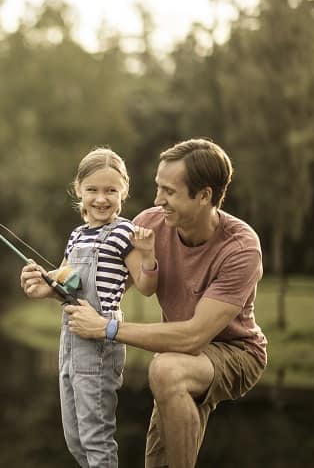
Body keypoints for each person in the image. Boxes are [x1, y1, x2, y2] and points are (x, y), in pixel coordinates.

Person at [57, 138, 267, 468]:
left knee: (166, 369)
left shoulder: (240, 248)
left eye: (169, 191)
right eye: (158, 187)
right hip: (177, 352)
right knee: (158, 461)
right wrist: (52, 284)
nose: (157, 200)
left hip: (234, 351)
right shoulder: (150, 225)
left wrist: (108, 328)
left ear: (204, 196)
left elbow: (195, 337)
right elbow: (106, 284)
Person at [20, 147, 158, 468]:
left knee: (96, 439)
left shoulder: (124, 233)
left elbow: (148, 287)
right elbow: (69, 286)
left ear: (124, 190)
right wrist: (45, 284)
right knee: (75, 439)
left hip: (100, 344)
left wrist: (149, 254)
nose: (101, 198)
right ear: (79, 189)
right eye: (93, 190)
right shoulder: (76, 235)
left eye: (111, 190)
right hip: (69, 341)